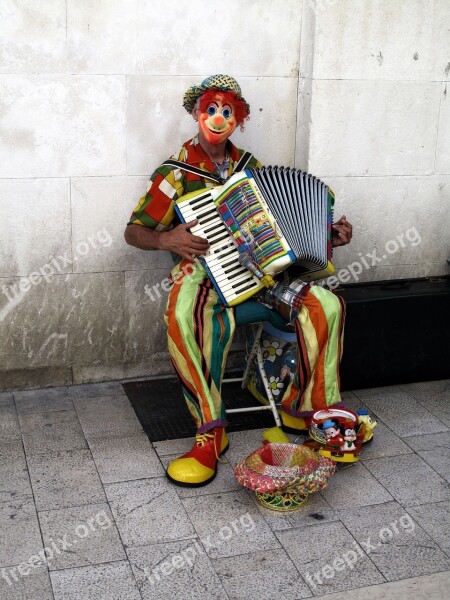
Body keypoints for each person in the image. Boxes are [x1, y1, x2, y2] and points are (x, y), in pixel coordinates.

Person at [124, 74, 353, 487]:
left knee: (327, 304)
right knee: (182, 315)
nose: (218, 118)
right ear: (197, 114)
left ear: (238, 118)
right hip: (204, 275)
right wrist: (164, 237)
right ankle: (210, 431)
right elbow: (132, 231)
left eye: (227, 111)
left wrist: (327, 233)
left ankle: (311, 411)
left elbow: (283, 224)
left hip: (263, 275)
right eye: (210, 109)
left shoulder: (252, 169)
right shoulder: (174, 175)